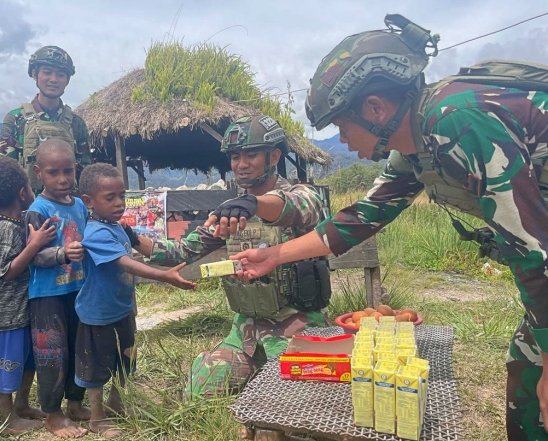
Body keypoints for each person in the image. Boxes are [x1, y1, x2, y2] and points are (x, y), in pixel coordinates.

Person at [231, 14, 548, 441]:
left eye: (342, 126)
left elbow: (532, 252)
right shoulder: (415, 147)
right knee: (528, 376)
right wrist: (274, 255)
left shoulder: (457, 120)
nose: (341, 140)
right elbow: (358, 219)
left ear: (375, 109)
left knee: (536, 374)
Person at [149, 115, 329, 399]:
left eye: (251, 154)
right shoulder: (229, 212)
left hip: (297, 327)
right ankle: (247, 369)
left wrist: (254, 203)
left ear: (274, 156)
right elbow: (183, 252)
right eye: (235, 156)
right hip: (246, 333)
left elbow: (299, 208)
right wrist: (132, 239)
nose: (241, 164)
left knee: (295, 402)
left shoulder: (301, 195)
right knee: (197, 394)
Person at [75, 164, 196, 437]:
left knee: (126, 358)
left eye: (122, 195)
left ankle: (116, 404)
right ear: (89, 201)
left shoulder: (118, 227)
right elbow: (126, 263)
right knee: (96, 367)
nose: (119, 203)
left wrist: (187, 250)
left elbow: (148, 247)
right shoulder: (96, 234)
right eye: (110, 198)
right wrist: (165, 277)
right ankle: (96, 417)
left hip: (122, 308)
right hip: (98, 313)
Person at [0, 157, 56, 434]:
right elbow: (4, 271)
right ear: (23, 192)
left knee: (27, 361)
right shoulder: (5, 229)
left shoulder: (18, 221)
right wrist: (34, 246)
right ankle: (8, 419)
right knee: (7, 366)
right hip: (7, 314)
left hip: (22, 310)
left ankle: (22, 404)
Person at [24, 138, 88, 438]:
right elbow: (33, 254)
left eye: (68, 171)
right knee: (52, 354)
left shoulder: (79, 206)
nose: (63, 179)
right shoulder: (39, 210)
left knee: (79, 348)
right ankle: (52, 413)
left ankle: (75, 404)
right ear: (39, 172)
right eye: (53, 172)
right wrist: (62, 254)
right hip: (47, 295)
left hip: (78, 290)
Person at [0, 45, 91, 194]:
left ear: (67, 80)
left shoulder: (76, 123)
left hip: (69, 205)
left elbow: (85, 175)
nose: (53, 79)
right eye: (47, 72)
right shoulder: (16, 119)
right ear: (34, 74)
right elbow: (3, 174)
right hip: (27, 207)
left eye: (60, 75)